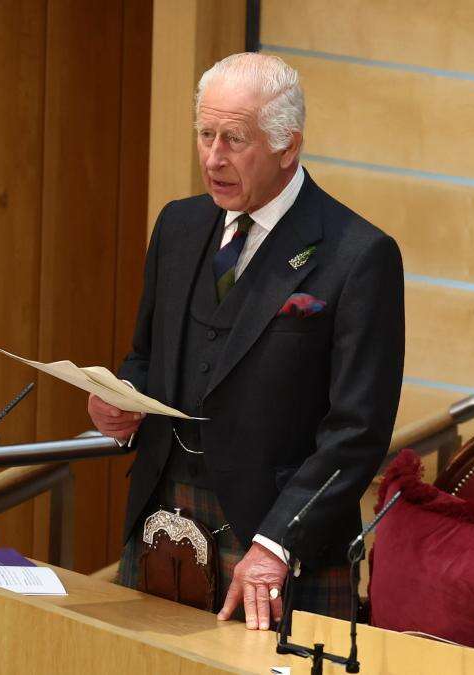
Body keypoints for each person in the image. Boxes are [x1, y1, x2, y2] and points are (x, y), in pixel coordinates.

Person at [86, 52, 404, 631]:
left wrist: (276, 545)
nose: (213, 158)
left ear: (288, 146)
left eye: (234, 139)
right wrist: (120, 396)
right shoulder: (178, 226)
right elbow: (145, 356)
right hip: (161, 518)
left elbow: (357, 433)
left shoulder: (359, 256)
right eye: (205, 134)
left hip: (278, 547)